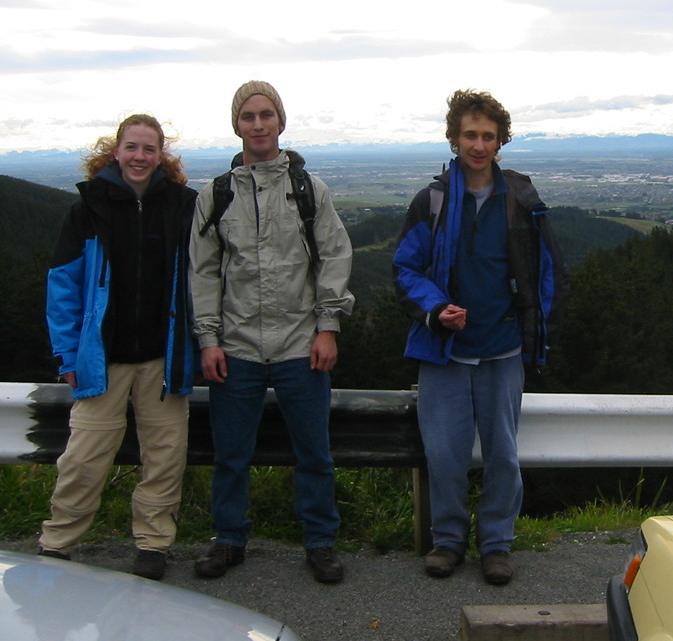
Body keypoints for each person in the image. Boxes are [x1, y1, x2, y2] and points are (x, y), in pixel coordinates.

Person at [393, 89, 565, 585]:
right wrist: (434, 309)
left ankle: (496, 545)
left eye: (488, 136)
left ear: (500, 141)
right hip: (444, 352)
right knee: (444, 454)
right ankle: (447, 542)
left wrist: (537, 330)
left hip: (503, 348)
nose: (479, 144)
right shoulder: (433, 201)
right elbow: (406, 267)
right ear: (453, 138)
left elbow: (546, 273)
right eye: (470, 134)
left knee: (502, 456)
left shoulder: (521, 201)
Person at [189, 80, 354, 584]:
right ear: (236, 125)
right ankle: (229, 539)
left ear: (281, 122)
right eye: (248, 116)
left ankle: (320, 541)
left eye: (266, 115)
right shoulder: (215, 195)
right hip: (235, 345)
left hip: (300, 344)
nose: (258, 124)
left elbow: (334, 258)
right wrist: (209, 339)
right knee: (231, 453)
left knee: (314, 453)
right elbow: (204, 272)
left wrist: (328, 327)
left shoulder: (309, 190)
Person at [41, 114, 198, 581]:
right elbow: (63, 285)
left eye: (149, 149)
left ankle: (153, 544)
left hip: (163, 355)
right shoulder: (88, 207)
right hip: (101, 357)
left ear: (161, 155)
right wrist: (67, 355)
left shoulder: (182, 205)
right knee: (84, 456)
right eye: (132, 147)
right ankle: (58, 539)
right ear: (115, 151)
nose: (140, 157)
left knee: (165, 455)